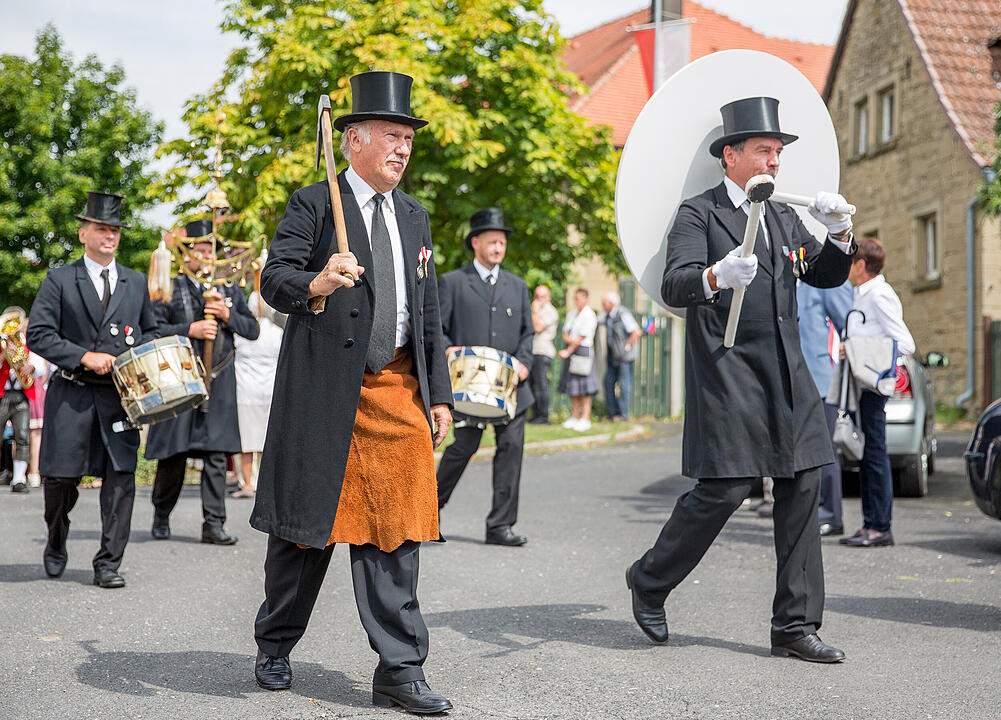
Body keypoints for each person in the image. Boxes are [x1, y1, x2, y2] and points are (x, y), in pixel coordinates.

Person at [250, 71, 454, 714]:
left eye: (408, 139)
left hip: (396, 389)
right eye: (392, 136)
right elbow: (272, 279)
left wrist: (439, 394)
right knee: (304, 534)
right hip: (323, 393)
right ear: (353, 140)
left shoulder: (416, 217)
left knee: (397, 532)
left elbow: (429, 313)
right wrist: (319, 281)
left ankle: (400, 668)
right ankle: (275, 643)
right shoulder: (315, 204)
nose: (402, 148)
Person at [625, 96, 856, 662]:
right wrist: (716, 274)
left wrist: (840, 233)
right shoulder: (699, 214)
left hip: (785, 369)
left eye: (778, 152)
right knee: (724, 489)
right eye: (763, 151)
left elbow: (823, 275)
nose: (774, 162)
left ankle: (794, 626)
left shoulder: (781, 214)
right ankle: (650, 580)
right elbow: (675, 284)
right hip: (727, 369)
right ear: (730, 156)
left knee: (803, 485)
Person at [26, 190, 158, 588]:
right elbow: (38, 334)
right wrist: (84, 356)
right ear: (83, 233)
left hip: (119, 399)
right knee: (61, 481)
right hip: (73, 394)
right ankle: (56, 539)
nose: (110, 236)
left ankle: (108, 564)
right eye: (102, 229)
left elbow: (149, 331)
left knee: (122, 479)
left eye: (115, 230)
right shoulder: (60, 279)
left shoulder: (135, 282)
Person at [145, 219, 259, 545]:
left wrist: (226, 315)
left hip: (219, 380)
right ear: (188, 253)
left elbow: (251, 330)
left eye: (211, 249)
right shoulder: (171, 287)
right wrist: (190, 330)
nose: (206, 255)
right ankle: (161, 515)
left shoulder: (229, 288)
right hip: (180, 378)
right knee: (173, 456)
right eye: (200, 248)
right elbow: (151, 331)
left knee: (215, 457)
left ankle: (214, 524)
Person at [436, 207, 534, 547]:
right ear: (475, 243)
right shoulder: (451, 282)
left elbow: (528, 334)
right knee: (462, 447)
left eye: (502, 243)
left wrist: (524, 363)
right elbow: (437, 331)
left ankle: (500, 527)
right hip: (467, 388)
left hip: (511, 391)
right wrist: (449, 350)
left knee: (511, 450)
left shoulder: (518, 286)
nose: (498, 248)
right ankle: (427, 513)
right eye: (492, 242)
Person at [839, 238, 914, 548]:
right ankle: (870, 523)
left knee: (875, 454)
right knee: (868, 455)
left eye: (850, 262)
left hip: (874, 384)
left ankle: (880, 526)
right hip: (863, 383)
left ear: (860, 265)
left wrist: (855, 349)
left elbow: (905, 343)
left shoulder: (879, 294)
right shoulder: (862, 292)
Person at [797, 280, 853, 536]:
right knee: (800, 455)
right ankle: (806, 514)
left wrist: (849, 345)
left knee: (825, 452)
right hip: (791, 383)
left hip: (820, 380)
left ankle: (831, 515)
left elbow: (849, 321)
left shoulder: (820, 281)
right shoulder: (784, 279)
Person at [233, 290, 285, 499]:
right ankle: (265, 483)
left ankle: (247, 482)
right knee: (267, 441)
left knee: (247, 441)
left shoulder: (243, 332)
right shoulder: (277, 332)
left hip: (245, 390)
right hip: (270, 390)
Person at [0, 307, 35, 493]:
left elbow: (40, 369)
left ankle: (19, 478)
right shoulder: (2, 345)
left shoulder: (27, 345)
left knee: (22, 436)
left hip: (21, 394)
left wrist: (28, 365)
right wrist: (4, 355)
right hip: (3, 394)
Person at [557, 288, 599, 431]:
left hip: (583, 352)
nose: (577, 301)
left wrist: (568, 350)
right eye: (575, 299)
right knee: (573, 386)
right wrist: (569, 343)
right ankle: (574, 416)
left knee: (584, 388)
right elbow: (565, 333)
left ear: (586, 299)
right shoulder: (572, 314)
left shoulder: (589, 315)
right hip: (571, 349)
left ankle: (585, 418)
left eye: (579, 298)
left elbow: (581, 337)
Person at [599, 291, 641, 421]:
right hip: (613, 356)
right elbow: (597, 320)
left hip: (625, 357)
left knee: (624, 385)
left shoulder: (623, 314)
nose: (602, 306)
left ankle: (623, 415)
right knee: (608, 382)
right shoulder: (607, 316)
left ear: (611, 304)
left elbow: (636, 331)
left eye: (604, 303)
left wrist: (626, 346)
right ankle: (613, 413)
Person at [528, 284, 559, 424]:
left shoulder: (549, 311)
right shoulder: (537, 309)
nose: (539, 299)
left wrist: (534, 311)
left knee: (541, 385)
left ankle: (543, 416)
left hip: (543, 351)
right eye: (537, 296)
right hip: (533, 351)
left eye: (543, 296)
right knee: (531, 385)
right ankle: (535, 414)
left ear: (548, 297)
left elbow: (538, 327)